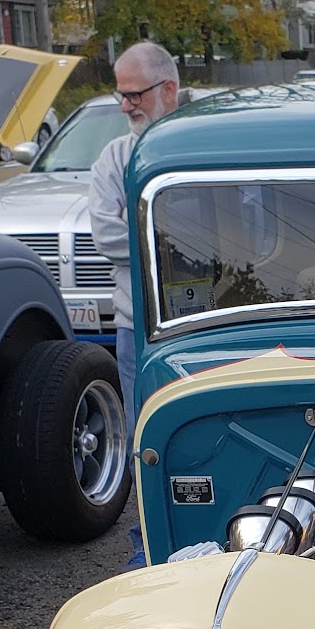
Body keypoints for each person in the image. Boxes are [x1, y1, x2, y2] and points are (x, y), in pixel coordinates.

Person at [88, 40, 181, 430]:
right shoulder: (114, 158)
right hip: (134, 329)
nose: (125, 106)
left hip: (200, 324)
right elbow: (104, 234)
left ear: (168, 89)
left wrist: (137, 228)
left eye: (133, 95)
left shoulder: (204, 149)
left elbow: (245, 235)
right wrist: (178, 246)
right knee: (140, 435)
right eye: (121, 95)